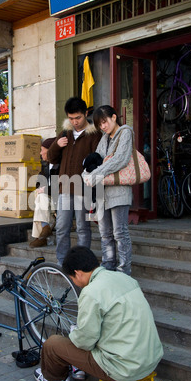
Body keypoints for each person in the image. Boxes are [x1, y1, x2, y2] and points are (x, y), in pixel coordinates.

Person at [34, 246, 163, 381]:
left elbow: (85, 341)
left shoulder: (91, 292)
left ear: (78, 273)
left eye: (71, 278)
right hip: (150, 360)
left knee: (52, 344)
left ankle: (56, 378)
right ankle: (78, 367)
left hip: (123, 369)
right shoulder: (125, 278)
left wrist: (75, 335)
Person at [47, 97, 102, 265]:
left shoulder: (94, 134)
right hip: (64, 188)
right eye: (71, 118)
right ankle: (61, 262)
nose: (75, 122)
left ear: (86, 113)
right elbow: (50, 157)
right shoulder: (65, 133)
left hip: (84, 189)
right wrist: (57, 144)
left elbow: (98, 162)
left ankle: (81, 264)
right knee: (62, 228)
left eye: (78, 118)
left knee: (82, 229)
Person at [82, 105, 133, 275]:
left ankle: (124, 270)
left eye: (104, 122)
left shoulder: (125, 132)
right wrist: (86, 173)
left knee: (120, 233)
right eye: (99, 125)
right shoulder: (104, 138)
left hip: (119, 191)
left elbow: (120, 160)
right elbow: (96, 158)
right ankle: (108, 265)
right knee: (105, 233)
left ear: (114, 117)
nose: (103, 127)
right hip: (103, 192)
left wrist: (95, 173)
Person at [29, 137, 59, 248]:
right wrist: (40, 188)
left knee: (41, 198)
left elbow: (60, 186)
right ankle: (44, 230)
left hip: (58, 199)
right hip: (48, 201)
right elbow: (38, 181)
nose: (40, 153)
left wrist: (45, 189)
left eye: (42, 149)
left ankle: (41, 235)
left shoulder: (59, 165)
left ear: (50, 150)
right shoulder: (45, 165)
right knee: (40, 196)